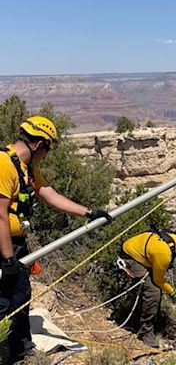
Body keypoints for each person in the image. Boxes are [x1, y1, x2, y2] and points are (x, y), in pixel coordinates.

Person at [0, 116, 112, 363]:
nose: (47, 155)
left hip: (15, 247)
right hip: (3, 249)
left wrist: (88, 212)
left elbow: (48, 194)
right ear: (39, 144)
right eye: (48, 149)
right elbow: (0, 215)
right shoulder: (4, 164)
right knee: (3, 303)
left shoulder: (26, 167)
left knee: (20, 297)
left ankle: (21, 352)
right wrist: (7, 259)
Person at [120, 229, 176, 348]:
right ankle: (145, 332)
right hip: (131, 257)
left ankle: (154, 321)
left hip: (142, 253)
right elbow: (158, 280)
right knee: (153, 291)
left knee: (154, 289)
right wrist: (173, 293)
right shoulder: (164, 253)